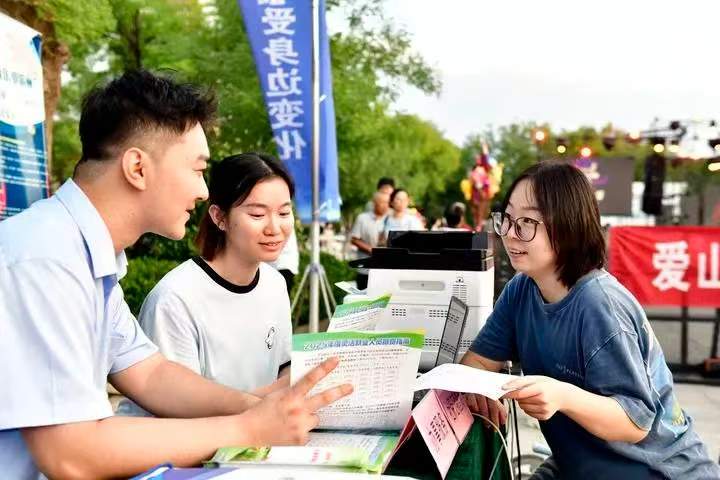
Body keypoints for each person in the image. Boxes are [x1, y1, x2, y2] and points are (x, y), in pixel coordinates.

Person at [0, 70, 351, 479]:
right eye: (197, 170)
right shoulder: (45, 258)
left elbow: (150, 373)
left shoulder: (89, 257)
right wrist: (248, 428)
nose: (203, 191)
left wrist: (260, 410)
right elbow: (70, 454)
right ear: (137, 167)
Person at [461, 162, 720, 479]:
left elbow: (636, 421)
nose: (511, 234)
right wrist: (475, 388)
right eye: (508, 219)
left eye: (527, 222)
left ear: (568, 225)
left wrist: (562, 396)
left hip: (656, 471)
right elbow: (478, 362)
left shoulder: (599, 304)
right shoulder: (521, 289)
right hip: (580, 463)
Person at [118, 153, 296, 419]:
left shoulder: (275, 284)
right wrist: (266, 402)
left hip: (256, 432)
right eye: (257, 214)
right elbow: (178, 409)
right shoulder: (175, 299)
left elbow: (283, 367)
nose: (275, 228)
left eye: (284, 212)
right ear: (219, 217)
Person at [350, 190, 390, 290]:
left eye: (387, 202)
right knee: (365, 298)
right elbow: (354, 239)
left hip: (386, 271)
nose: (385, 206)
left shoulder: (391, 220)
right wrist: (370, 249)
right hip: (365, 270)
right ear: (374, 203)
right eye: (382, 202)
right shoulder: (362, 218)